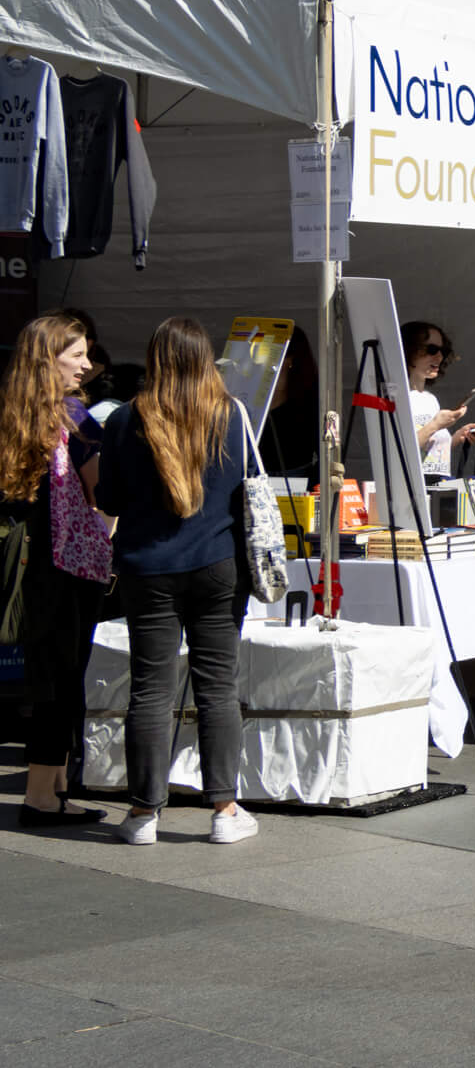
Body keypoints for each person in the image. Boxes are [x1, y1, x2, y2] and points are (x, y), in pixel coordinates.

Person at [96, 318, 257, 845]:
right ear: (205, 359)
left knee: (150, 690)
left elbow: (110, 501)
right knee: (218, 688)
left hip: (148, 568)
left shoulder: (125, 419)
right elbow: (250, 492)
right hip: (217, 565)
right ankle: (224, 811)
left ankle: (144, 814)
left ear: (154, 360)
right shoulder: (231, 415)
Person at [6, 313, 106, 828]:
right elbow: (101, 491)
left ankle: (56, 789)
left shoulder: (11, 413)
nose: (87, 366)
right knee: (64, 676)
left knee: (44, 673)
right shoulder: (73, 417)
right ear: (49, 359)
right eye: (76, 355)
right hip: (69, 565)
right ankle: (43, 794)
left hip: (28, 566)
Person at [403, 321, 475, 484]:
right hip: (412, 487)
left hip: (439, 484)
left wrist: (458, 437)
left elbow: (431, 454)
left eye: (443, 351)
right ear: (410, 351)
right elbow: (402, 451)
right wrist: (435, 425)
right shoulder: (397, 398)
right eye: (431, 350)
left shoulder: (430, 399)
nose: (439, 357)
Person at [258, 330, 322, 481]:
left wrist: (310, 483)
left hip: (296, 481)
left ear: (290, 360)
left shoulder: (310, 398)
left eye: (272, 353)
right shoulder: (253, 394)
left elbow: (326, 452)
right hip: (256, 480)